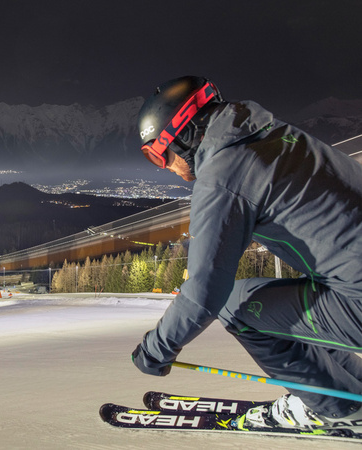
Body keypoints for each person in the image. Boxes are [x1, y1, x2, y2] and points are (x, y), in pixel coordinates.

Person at [131, 76, 362, 431]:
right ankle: (345, 390)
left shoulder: (222, 174)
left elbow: (205, 290)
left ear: (182, 135)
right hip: (349, 281)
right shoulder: (273, 133)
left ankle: (339, 408)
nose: (166, 167)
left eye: (157, 155)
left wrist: (156, 349)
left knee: (235, 306)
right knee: (292, 296)